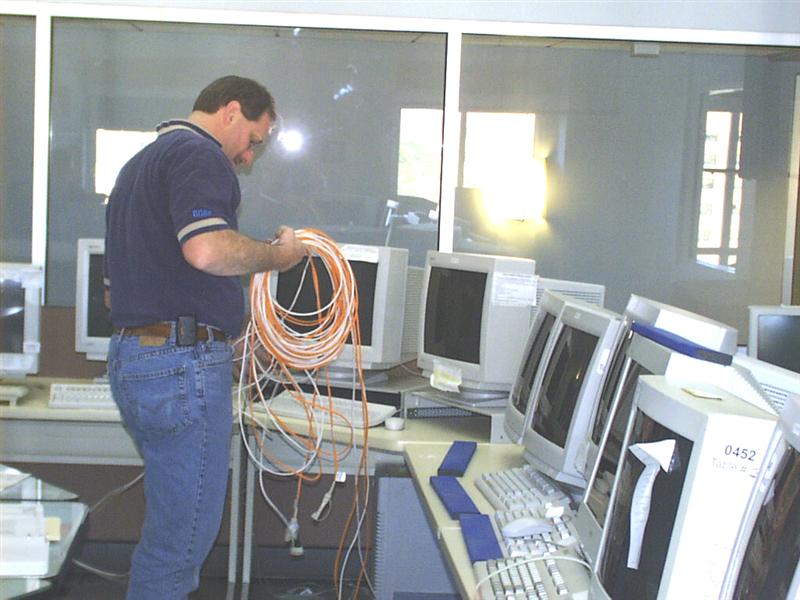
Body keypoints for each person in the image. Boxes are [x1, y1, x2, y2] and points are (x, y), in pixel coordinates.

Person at [104, 75, 306, 600]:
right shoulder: (200, 156)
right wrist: (278, 257)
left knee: (169, 532)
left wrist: (219, 334)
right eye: (253, 141)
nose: (247, 157)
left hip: (137, 357)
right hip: (177, 365)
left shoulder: (137, 167)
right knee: (181, 546)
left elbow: (122, 290)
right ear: (231, 111)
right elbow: (207, 251)